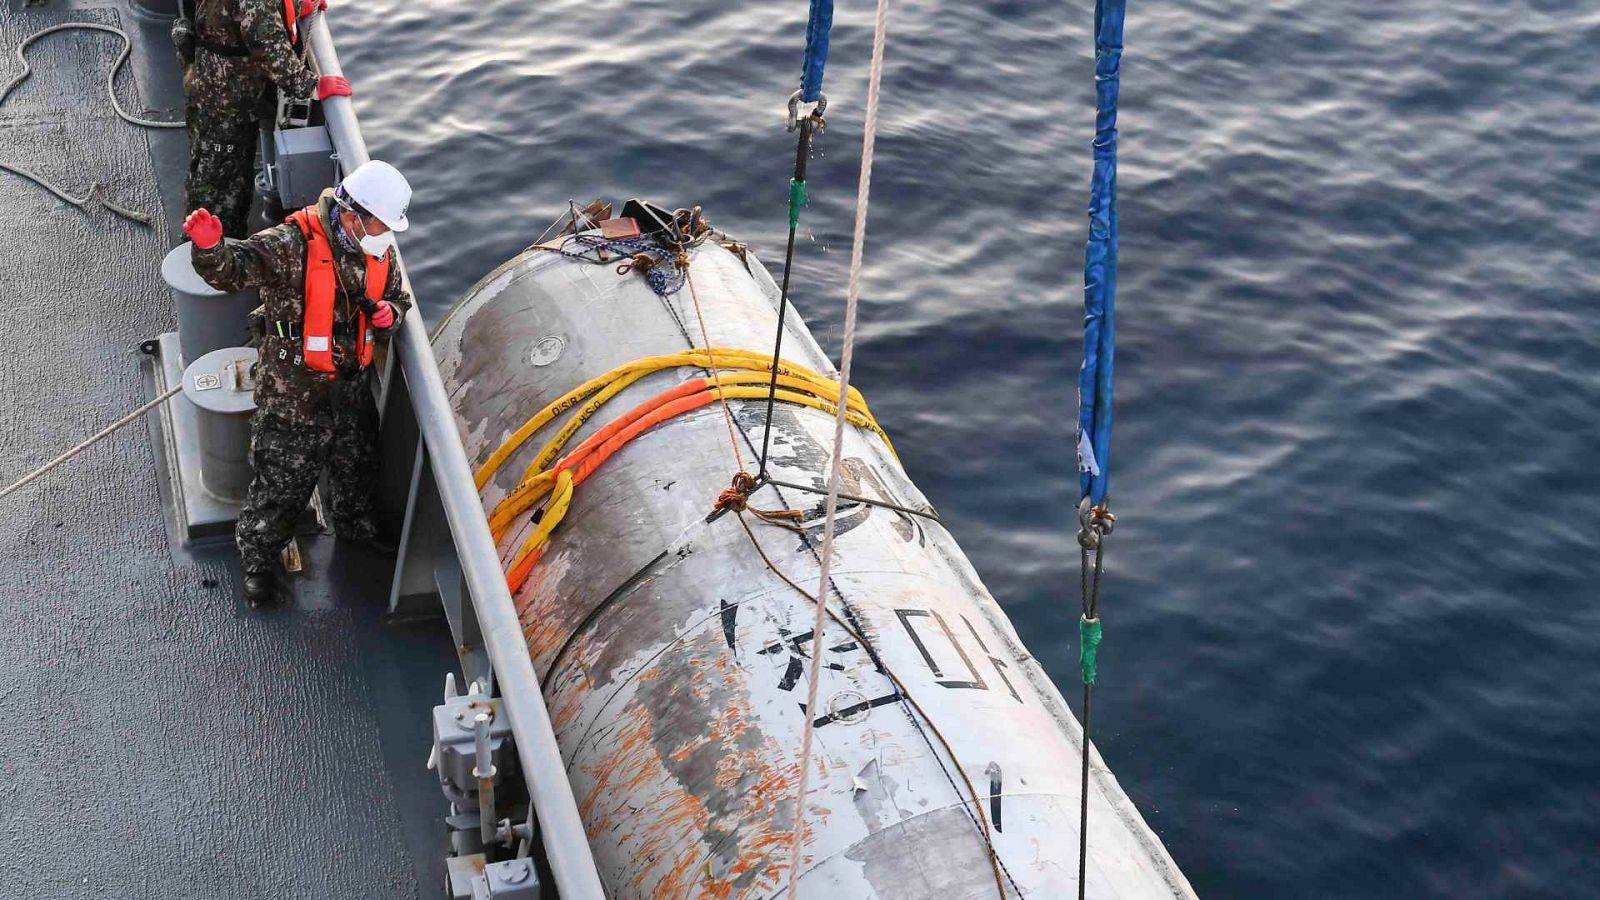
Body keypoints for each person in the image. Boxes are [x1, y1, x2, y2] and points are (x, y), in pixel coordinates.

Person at [183, 160, 413, 608]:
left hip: (349, 387)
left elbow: (397, 297)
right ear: (354, 215)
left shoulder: (377, 249)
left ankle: (356, 527)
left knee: (356, 465)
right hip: (293, 394)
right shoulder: (290, 244)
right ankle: (258, 560)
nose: (386, 234)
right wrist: (210, 248)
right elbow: (233, 270)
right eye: (381, 225)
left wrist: (392, 313)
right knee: (280, 483)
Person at [179, 0, 350, 239]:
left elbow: (241, 14)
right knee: (220, 186)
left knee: (217, 172)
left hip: (216, 88)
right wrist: (311, 85)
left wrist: (296, 6)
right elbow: (267, 42)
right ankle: (205, 245)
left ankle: (215, 243)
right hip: (224, 103)